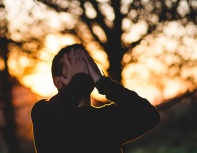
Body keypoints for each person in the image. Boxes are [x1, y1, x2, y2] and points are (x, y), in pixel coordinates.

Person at [31, 43, 160, 153]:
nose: (82, 70)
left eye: (86, 64)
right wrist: (79, 79)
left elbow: (149, 115)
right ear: (58, 82)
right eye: (75, 65)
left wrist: (103, 83)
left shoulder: (108, 118)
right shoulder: (44, 113)